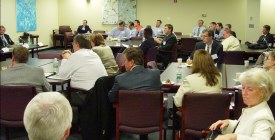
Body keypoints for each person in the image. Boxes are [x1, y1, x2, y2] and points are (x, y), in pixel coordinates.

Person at [209, 68, 275, 140]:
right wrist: (228, 124)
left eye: (250, 89)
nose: (244, 93)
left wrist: (234, 137)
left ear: (263, 92)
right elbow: (245, 128)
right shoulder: (253, 107)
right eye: (243, 88)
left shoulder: (263, 118)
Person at [58, 34, 107, 105]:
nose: (72, 45)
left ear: (77, 44)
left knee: (57, 95)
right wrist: (71, 56)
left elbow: (62, 76)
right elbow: (80, 60)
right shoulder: (94, 54)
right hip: (99, 94)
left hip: (84, 95)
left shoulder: (76, 56)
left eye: (73, 43)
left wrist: (65, 59)